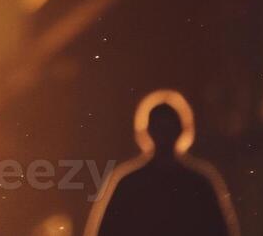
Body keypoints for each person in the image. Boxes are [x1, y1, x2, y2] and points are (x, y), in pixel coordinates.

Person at [86, 95, 239, 236]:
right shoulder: (198, 182)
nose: (165, 135)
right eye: (161, 128)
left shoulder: (130, 182)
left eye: (169, 128)